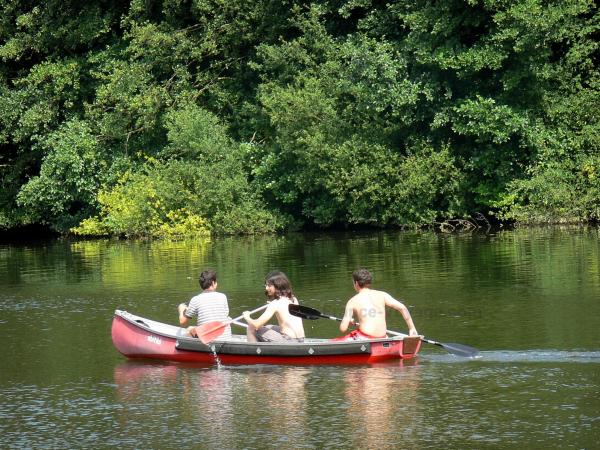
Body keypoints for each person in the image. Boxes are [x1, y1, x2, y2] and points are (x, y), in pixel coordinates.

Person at [336, 268, 418, 340]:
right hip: (382, 338)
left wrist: (348, 321)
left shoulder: (352, 301)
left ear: (356, 283)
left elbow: (343, 328)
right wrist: (412, 328)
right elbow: (403, 308)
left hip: (365, 339)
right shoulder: (382, 295)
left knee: (339, 340)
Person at [243, 271, 305, 342]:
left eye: (269, 286)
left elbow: (256, 325)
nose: (266, 288)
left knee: (251, 328)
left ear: (278, 286)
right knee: (268, 327)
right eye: (266, 285)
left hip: (289, 341)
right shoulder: (293, 298)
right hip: (301, 339)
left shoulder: (275, 303)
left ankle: (252, 351)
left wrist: (247, 317)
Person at [178, 269, 232, 339]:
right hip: (226, 338)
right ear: (213, 283)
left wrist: (181, 310)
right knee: (191, 328)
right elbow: (225, 315)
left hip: (207, 339)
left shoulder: (195, 299)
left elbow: (182, 322)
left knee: (189, 330)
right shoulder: (223, 296)